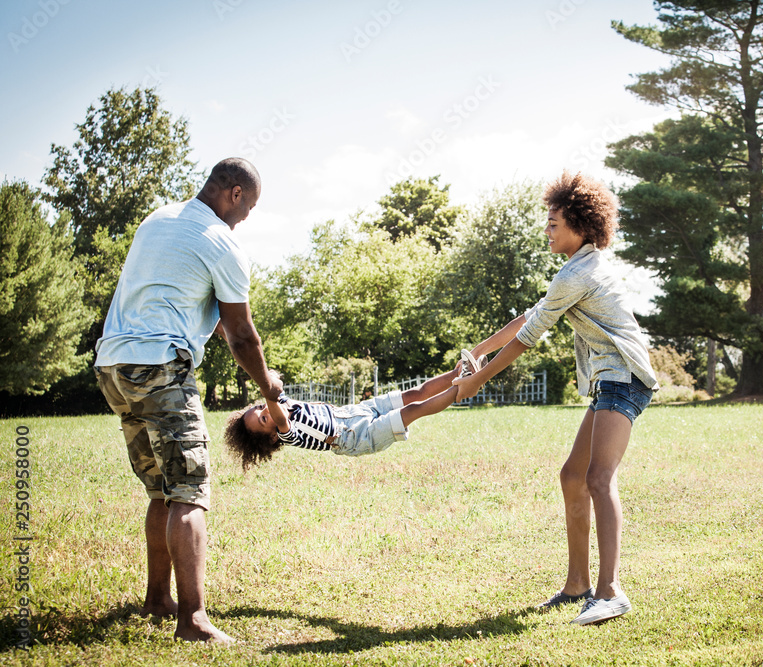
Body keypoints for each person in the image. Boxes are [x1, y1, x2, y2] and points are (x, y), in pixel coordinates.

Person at [452, 171, 658, 626]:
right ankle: (577, 585)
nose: (547, 231)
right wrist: (480, 350)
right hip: (611, 380)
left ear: (580, 227)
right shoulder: (576, 270)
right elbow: (533, 315)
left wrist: (476, 380)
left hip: (624, 379)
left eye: (553, 224)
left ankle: (610, 592)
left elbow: (529, 336)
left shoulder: (579, 273)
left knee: (600, 478)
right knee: (572, 476)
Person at [94, 157, 282, 644]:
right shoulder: (222, 242)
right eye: (250, 206)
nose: (246, 218)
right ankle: (193, 620)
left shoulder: (157, 220)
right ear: (235, 193)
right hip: (160, 367)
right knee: (190, 491)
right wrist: (268, 389)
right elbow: (241, 334)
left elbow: (187, 302)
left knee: (162, 489)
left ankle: (158, 599)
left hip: (114, 366)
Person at [223, 366, 466, 470]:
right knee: (413, 411)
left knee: (414, 394)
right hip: (355, 438)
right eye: (263, 419)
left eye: (259, 408)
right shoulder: (289, 434)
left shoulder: (284, 404)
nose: (265, 411)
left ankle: (458, 373)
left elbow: (274, 384)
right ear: (273, 438)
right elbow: (273, 403)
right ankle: (462, 389)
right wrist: (268, 395)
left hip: (354, 412)